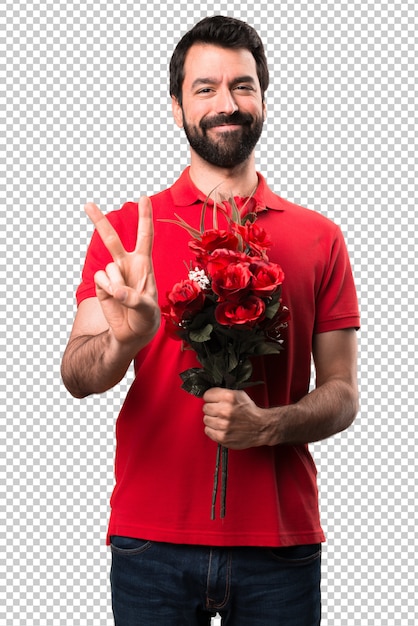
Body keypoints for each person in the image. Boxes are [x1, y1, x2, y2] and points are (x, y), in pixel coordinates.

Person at [61, 15, 360, 626]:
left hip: (280, 544)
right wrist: (126, 342)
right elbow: (77, 374)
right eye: (205, 88)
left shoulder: (320, 237)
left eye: (243, 86)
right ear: (176, 107)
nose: (227, 103)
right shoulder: (125, 234)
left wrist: (269, 426)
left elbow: (343, 395)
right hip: (151, 544)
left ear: (262, 100)